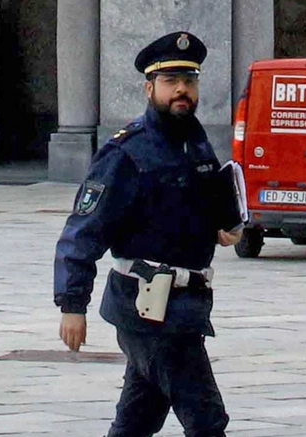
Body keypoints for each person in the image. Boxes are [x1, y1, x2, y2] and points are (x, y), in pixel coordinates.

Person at [53, 31, 242, 437]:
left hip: (186, 304)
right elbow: (84, 230)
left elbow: (194, 206)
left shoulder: (196, 142)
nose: (182, 91)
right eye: (171, 82)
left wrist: (222, 228)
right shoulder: (126, 152)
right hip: (147, 308)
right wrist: (72, 303)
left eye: (189, 82)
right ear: (149, 87)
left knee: (139, 419)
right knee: (206, 418)